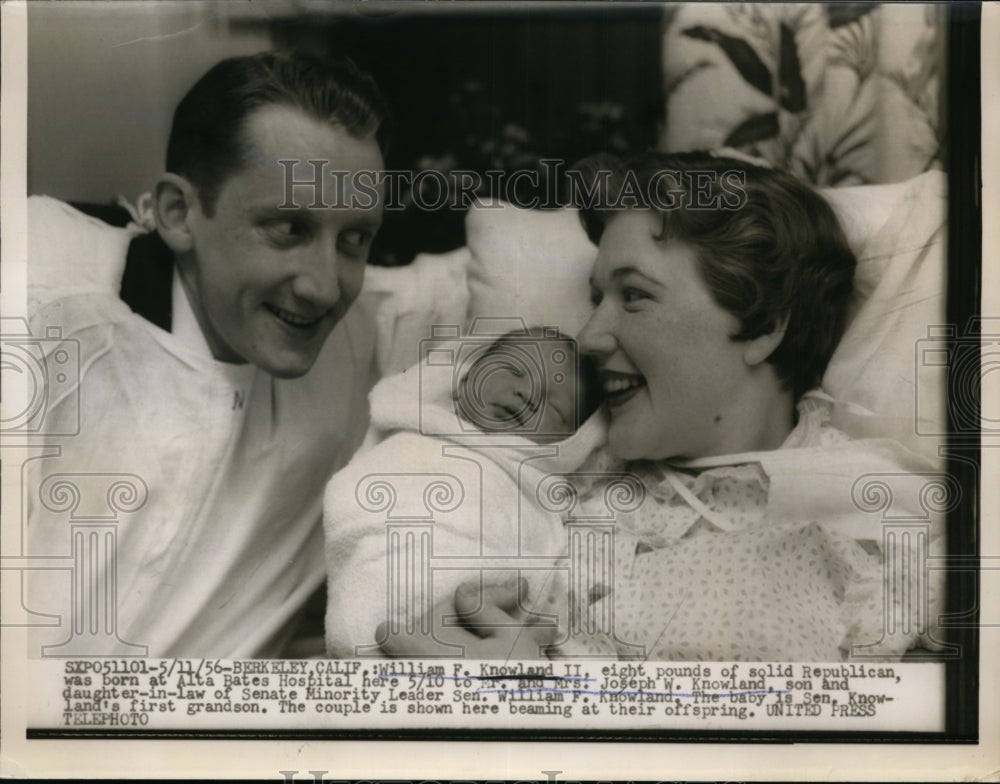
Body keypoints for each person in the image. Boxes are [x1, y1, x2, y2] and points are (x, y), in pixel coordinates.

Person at [377, 152, 945, 662]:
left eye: (635, 296)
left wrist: (539, 700)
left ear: (763, 325)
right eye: (597, 299)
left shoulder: (887, 525)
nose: (590, 337)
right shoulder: (544, 498)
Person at [25, 51, 388, 658]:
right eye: (288, 229)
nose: (325, 287)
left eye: (354, 240)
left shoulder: (367, 336)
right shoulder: (39, 305)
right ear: (177, 212)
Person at [324, 326, 605, 657]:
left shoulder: (532, 483)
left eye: (554, 407)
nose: (526, 394)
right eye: (513, 371)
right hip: (376, 578)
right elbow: (353, 497)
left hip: (470, 622)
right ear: (464, 382)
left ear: (569, 444)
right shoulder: (415, 432)